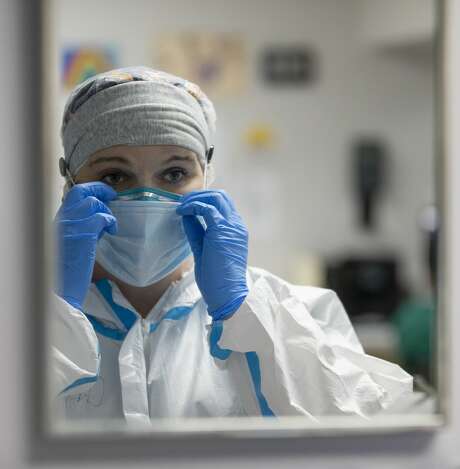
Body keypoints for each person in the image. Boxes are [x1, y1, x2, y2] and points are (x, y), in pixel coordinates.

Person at [51, 66, 412, 424]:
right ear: (69, 181)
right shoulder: (25, 319)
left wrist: (245, 315)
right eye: (114, 176)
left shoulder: (297, 312)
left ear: (206, 177)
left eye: (174, 174)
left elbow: (365, 439)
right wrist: (51, 319)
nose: (147, 196)